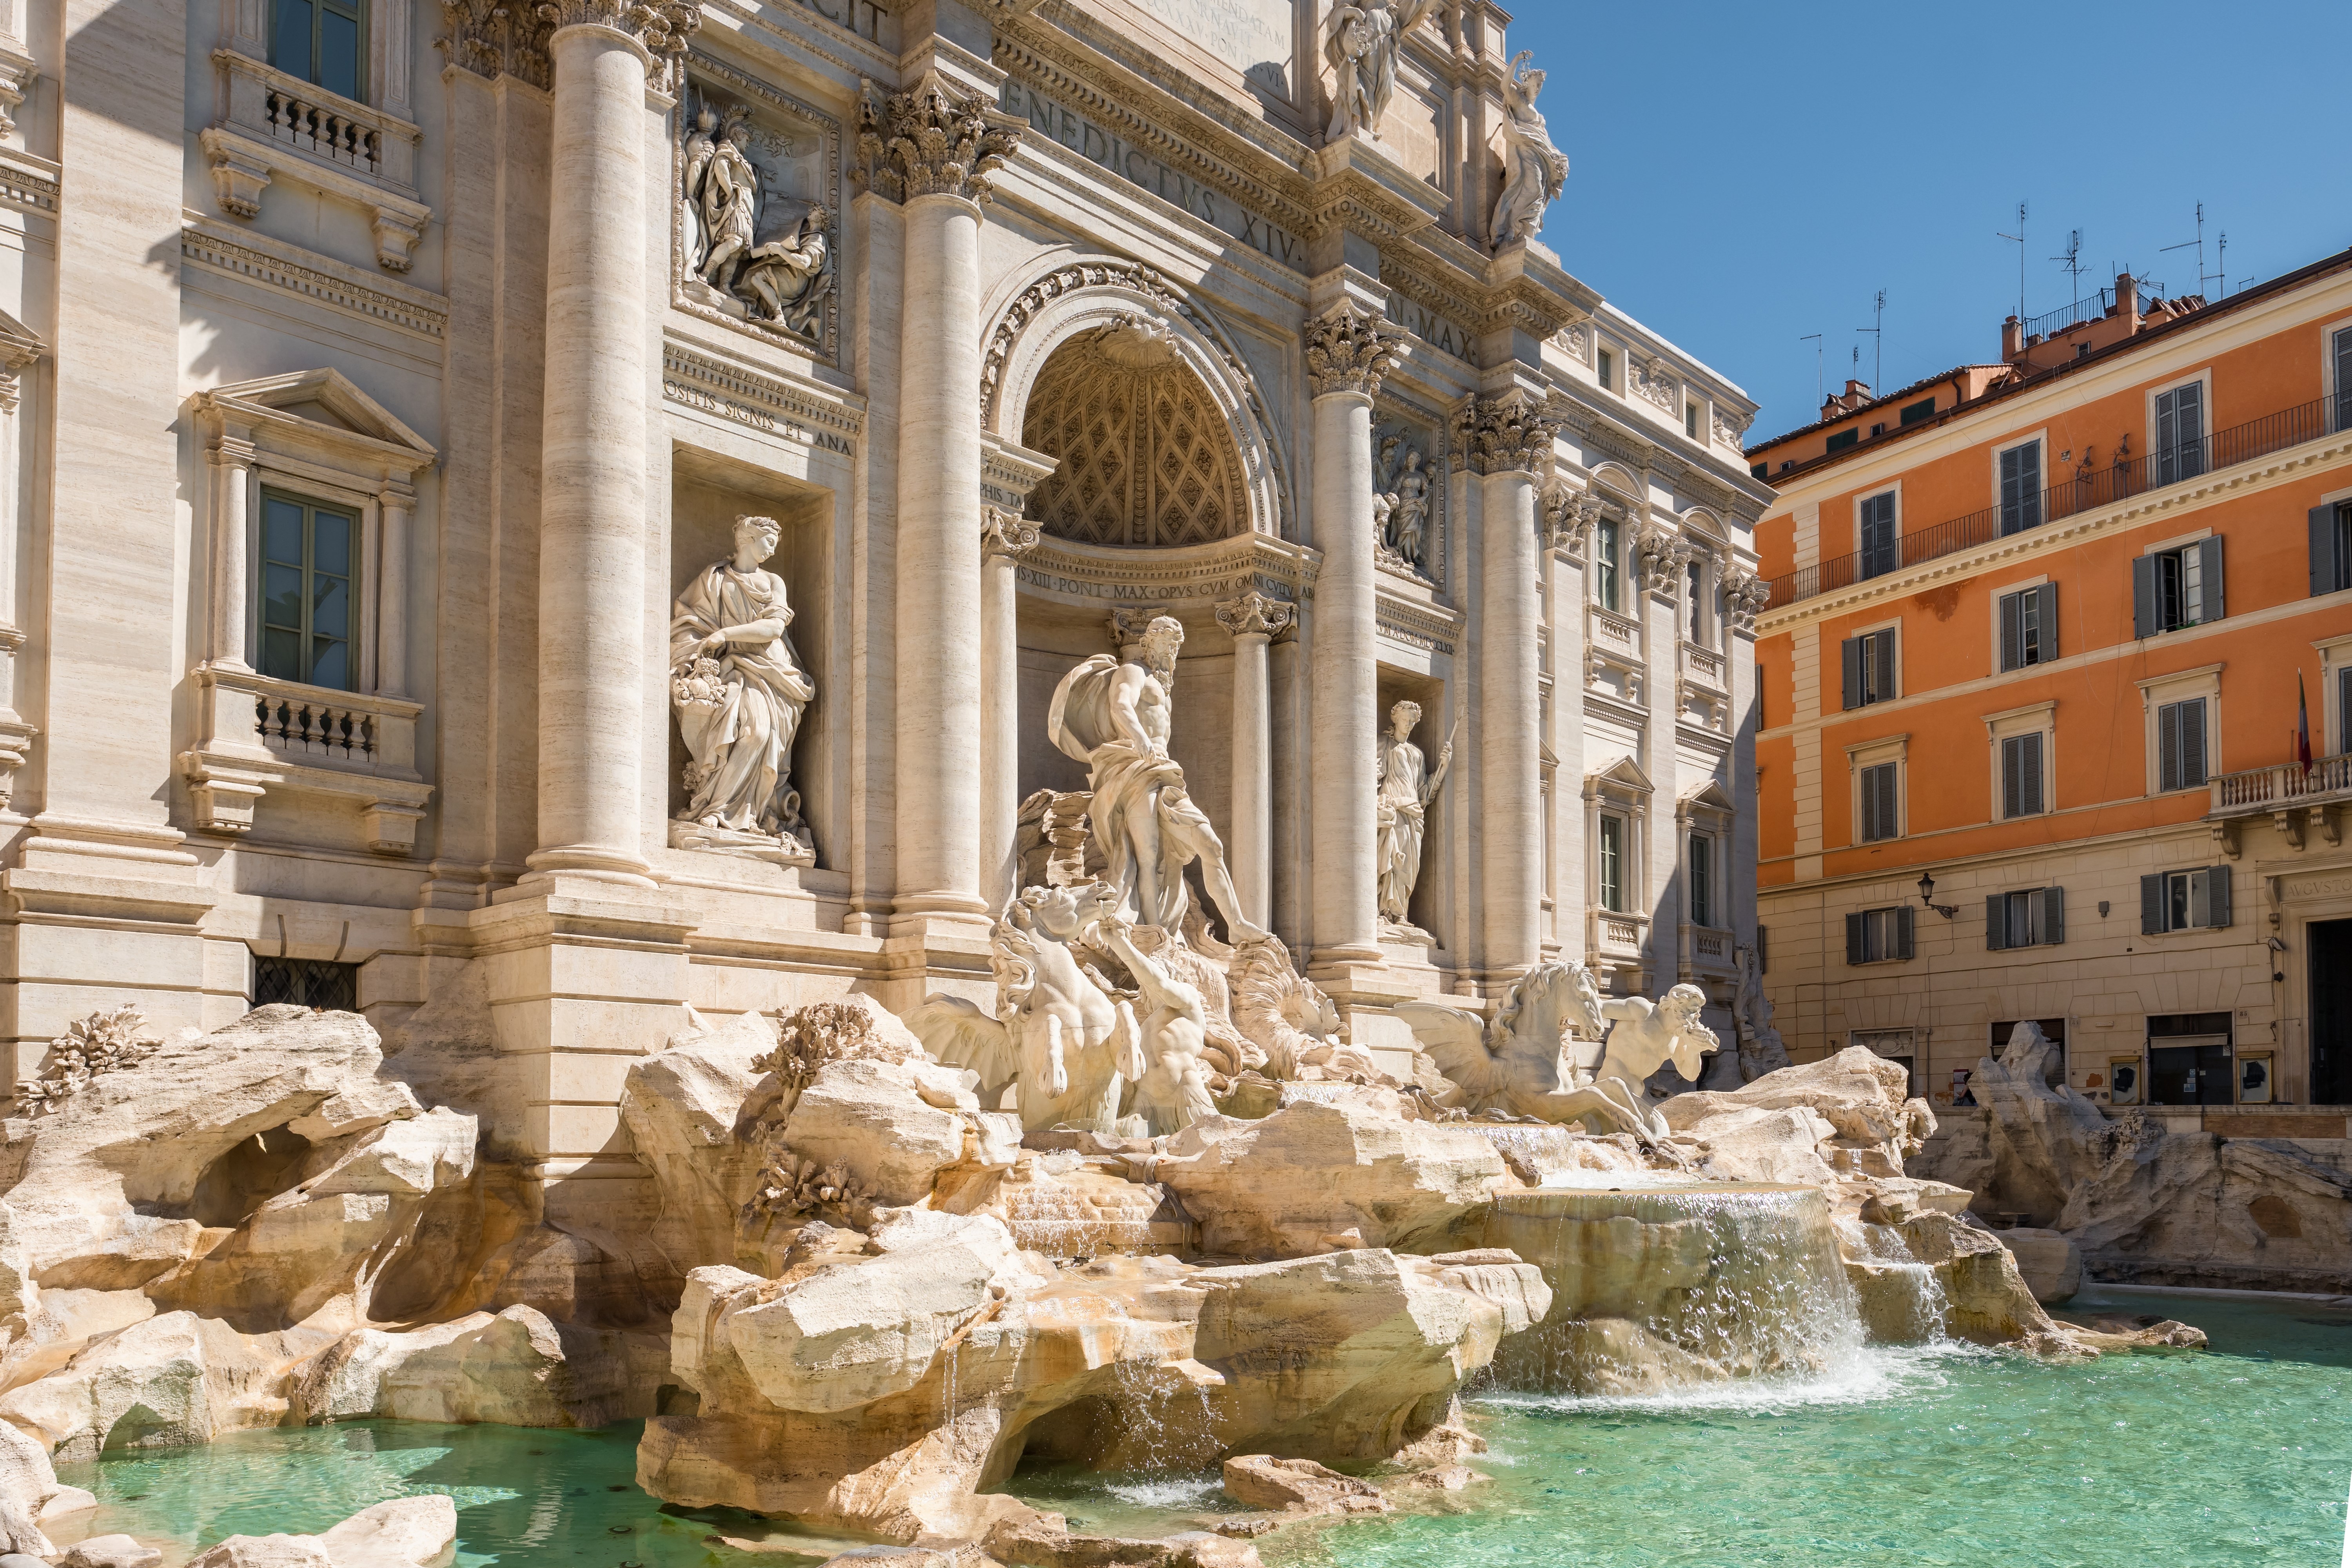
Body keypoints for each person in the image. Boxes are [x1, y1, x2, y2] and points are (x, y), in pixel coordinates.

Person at [1046, 616, 1265, 942]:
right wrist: (1142, 741)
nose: (1170, 652)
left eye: (1174, 646)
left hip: (1163, 773)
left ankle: (1235, 925)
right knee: (1147, 856)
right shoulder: (1133, 671)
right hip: (1133, 767)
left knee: (1211, 845)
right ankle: (1154, 932)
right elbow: (1120, 705)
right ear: (1148, 644)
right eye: (1164, 644)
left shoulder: (1163, 687)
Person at [669, 515, 817, 846]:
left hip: (773, 670)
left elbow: (774, 629)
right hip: (732, 667)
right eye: (768, 542)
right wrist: (692, 655)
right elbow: (689, 622)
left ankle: (751, 813)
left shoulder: (774, 581)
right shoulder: (714, 578)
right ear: (747, 540)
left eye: (776, 545)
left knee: (761, 735)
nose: (773, 549)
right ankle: (717, 809)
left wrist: (724, 634)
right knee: (743, 732)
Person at [1376, 701, 1452, 927]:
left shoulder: (1417, 754)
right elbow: (1372, 775)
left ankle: (1401, 913)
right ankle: (1385, 911)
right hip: (1394, 811)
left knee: (1409, 866)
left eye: (1412, 721)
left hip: (1413, 815)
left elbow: (1424, 794)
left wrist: (1444, 767)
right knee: (1391, 861)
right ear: (1395, 719)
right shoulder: (1384, 745)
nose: (1408, 725)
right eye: (1404, 720)